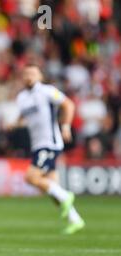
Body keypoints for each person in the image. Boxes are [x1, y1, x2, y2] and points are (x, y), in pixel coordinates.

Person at [13, 64, 85, 234]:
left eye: (33, 73)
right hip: (37, 144)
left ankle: (67, 196)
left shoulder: (46, 91)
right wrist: (15, 123)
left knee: (31, 177)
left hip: (49, 143)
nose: (29, 76)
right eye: (26, 73)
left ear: (40, 76)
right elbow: (25, 115)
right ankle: (75, 219)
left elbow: (68, 105)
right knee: (53, 189)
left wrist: (66, 126)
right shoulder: (22, 97)